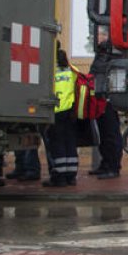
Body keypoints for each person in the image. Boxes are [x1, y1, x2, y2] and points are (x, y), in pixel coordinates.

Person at [88, 25, 123, 179]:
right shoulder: (102, 51)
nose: (95, 38)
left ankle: (113, 166)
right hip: (99, 95)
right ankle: (105, 164)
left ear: (105, 36)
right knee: (103, 132)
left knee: (110, 133)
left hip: (107, 97)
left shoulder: (111, 51)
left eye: (98, 35)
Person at [42, 45, 79, 187]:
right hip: (70, 111)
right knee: (70, 143)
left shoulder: (48, 69)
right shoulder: (71, 70)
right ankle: (71, 176)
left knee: (57, 145)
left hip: (54, 110)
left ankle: (59, 177)